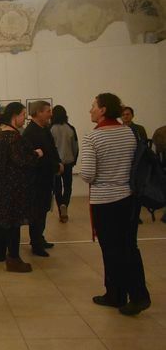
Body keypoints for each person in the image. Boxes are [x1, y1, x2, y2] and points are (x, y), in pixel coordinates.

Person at [80, 93, 151, 316]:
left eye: (93, 106)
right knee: (129, 246)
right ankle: (121, 293)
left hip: (106, 200)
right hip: (128, 198)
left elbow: (88, 174)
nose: (90, 110)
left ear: (103, 110)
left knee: (112, 250)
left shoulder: (93, 137)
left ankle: (130, 295)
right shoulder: (128, 132)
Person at [0, 102, 43, 272]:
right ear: (14, 116)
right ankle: (14, 259)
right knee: (14, 225)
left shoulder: (4, 135)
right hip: (14, 188)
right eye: (23, 114)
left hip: (6, 186)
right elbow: (21, 160)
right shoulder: (13, 137)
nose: (25, 118)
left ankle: (13, 257)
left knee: (11, 224)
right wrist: (36, 154)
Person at [22, 101, 62, 257]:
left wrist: (58, 163)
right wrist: (55, 166)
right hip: (36, 180)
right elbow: (38, 158)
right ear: (38, 112)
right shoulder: (31, 132)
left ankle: (39, 238)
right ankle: (36, 243)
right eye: (48, 111)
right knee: (37, 212)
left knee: (43, 210)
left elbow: (51, 150)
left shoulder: (44, 129)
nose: (50, 114)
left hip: (45, 178)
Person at [50, 105, 79, 223]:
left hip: (56, 164)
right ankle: (64, 205)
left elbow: (49, 147)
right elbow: (75, 146)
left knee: (57, 188)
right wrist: (74, 160)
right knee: (67, 187)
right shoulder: (70, 128)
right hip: (68, 162)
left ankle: (60, 211)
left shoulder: (50, 129)